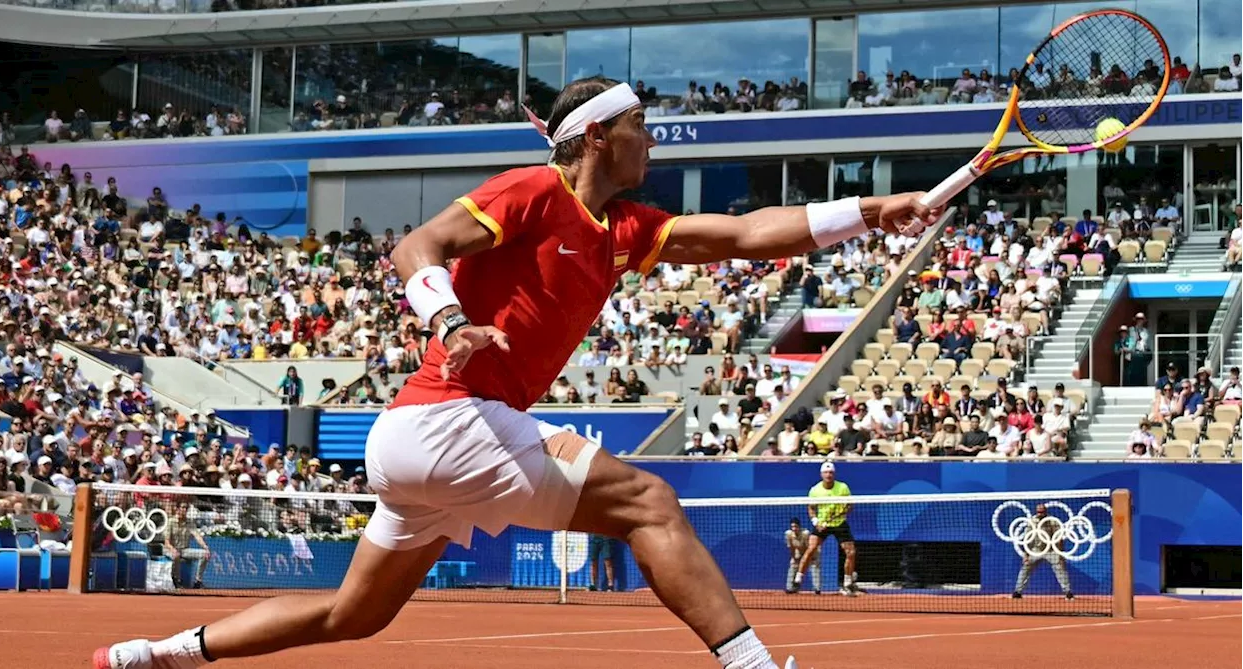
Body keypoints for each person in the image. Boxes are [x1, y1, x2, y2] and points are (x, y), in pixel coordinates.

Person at [94, 76, 936, 669]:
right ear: (599, 135)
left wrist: (872, 210)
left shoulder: (626, 228)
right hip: (447, 418)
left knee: (353, 614)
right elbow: (414, 248)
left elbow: (752, 234)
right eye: (642, 123)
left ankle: (159, 652)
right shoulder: (533, 191)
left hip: (419, 444)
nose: (656, 137)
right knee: (650, 503)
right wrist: (450, 318)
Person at [793, 461, 858, 596]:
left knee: (851, 553)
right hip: (821, 524)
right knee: (811, 549)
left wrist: (843, 512)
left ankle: (847, 582)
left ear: (834, 474)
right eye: (826, 472)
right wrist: (816, 522)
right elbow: (811, 508)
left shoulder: (843, 488)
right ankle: (797, 580)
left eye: (831, 473)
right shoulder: (815, 490)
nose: (828, 475)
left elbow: (850, 506)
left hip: (840, 524)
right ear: (821, 474)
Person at [1011, 504, 1074, 600]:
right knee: (1025, 568)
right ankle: (1017, 592)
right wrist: (1026, 554)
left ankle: (1068, 592)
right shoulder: (1032, 521)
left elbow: (1058, 538)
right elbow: (1027, 538)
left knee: (1060, 568)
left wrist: (1060, 554)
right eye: (1038, 512)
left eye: (1042, 512)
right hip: (1035, 550)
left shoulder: (1053, 521)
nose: (1040, 513)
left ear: (1046, 511)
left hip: (1051, 550)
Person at [783, 518, 817, 594]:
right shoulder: (788, 534)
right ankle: (790, 588)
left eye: (795, 526)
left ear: (799, 527)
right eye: (792, 527)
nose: (794, 529)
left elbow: (809, 548)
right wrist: (794, 557)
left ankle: (817, 589)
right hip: (798, 550)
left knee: (814, 566)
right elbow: (791, 547)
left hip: (811, 551)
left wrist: (808, 558)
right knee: (793, 565)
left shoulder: (806, 533)